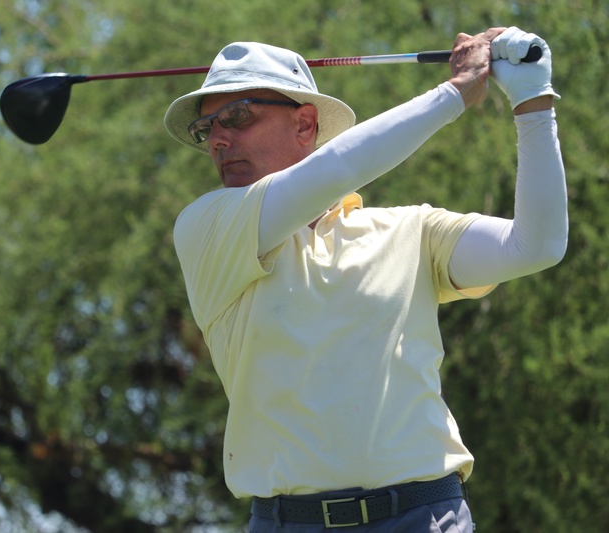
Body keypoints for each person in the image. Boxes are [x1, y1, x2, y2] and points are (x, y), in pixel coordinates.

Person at [163, 26, 567, 532]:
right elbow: (335, 169)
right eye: (207, 129)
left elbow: (538, 245)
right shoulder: (207, 228)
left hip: (426, 517)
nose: (219, 139)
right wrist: (455, 92)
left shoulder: (411, 231)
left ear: (305, 124)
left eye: (237, 116)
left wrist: (533, 101)